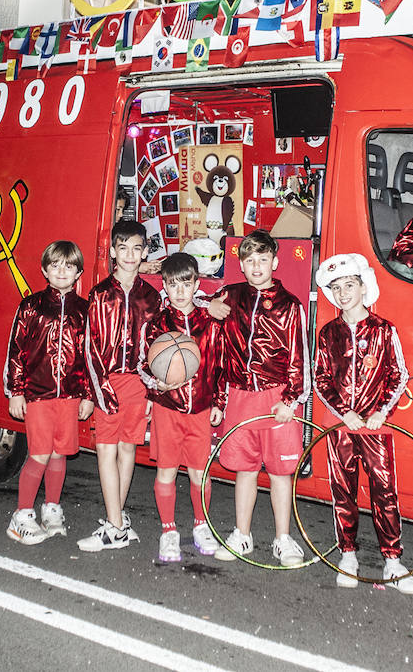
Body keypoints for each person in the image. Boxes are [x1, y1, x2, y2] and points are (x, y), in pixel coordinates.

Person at [313, 253, 413, 594]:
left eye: (349, 285)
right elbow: (321, 379)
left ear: (363, 286)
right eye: (337, 288)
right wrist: (344, 412)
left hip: (376, 428)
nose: (344, 293)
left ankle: (392, 560)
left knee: (384, 491)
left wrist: (380, 413)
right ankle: (347, 553)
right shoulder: (328, 333)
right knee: (343, 490)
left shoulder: (384, 330)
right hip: (342, 428)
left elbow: (398, 374)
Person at [207, 229, 309, 566]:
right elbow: (217, 348)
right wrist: (210, 304)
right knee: (245, 471)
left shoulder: (290, 306)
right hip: (238, 396)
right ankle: (242, 534)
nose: (256, 266)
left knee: (280, 473)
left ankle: (283, 538)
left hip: (276, 397)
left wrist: (291, 400)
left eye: (262, 260)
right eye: (249, 260)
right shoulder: (230, 296)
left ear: (275, 262)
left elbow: (298, 358)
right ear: (241, 264)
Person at [4, 240, 96, 545]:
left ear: (78, 272)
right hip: (38, 395)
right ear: (45, 269)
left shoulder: (85, 311)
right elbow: (17, 350)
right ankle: (22, 515)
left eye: (68, 266)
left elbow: (90, 357)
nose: (61, 271)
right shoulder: (30, 306)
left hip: (69, 397)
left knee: (60, 453)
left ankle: (52, 508)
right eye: (55, 265)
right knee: (39, 454)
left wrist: (87, 395)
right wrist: (16, 391)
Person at [79, 221, 162, 552]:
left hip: (139, 384)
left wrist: (155, 390)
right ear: (113, 251)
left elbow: (158, 347)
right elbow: (90, 346)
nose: (130, 255)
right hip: (107, 380)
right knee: (105, 449)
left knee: (128, 449)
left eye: (136, 249)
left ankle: (116, 521)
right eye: (123, 248)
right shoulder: (99, 294)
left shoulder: (152, 297)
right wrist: (99, 389)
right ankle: (116, 524)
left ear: (144, 252)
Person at [139, 253, 224, 561]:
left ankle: (202, 526)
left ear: (196, 285)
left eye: (185, 284)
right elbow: (142, 364)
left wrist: (220, 402)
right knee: (167, 472)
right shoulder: (157, 324)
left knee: (200, 474)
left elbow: (221, 365)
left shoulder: (209, 323)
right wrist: (154, 384)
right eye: (172, 285)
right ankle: (168, 530)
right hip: (168, 408)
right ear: (164, 286)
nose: (179, 291)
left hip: (201, 409)